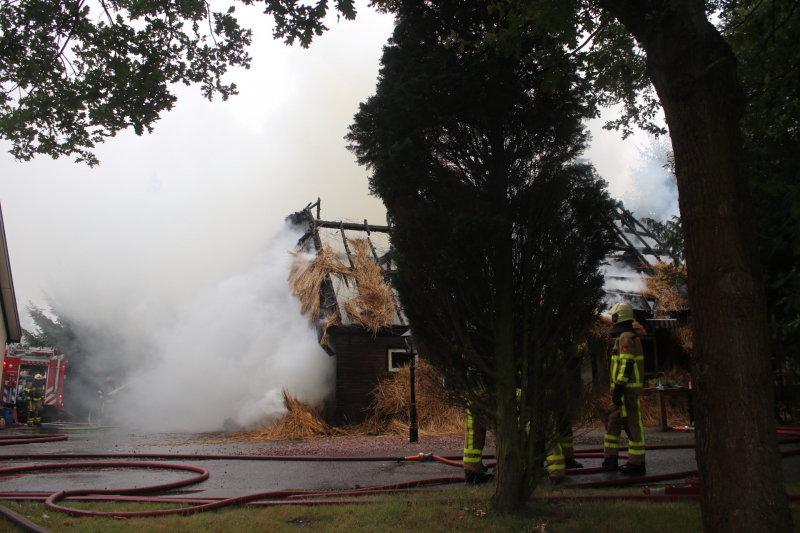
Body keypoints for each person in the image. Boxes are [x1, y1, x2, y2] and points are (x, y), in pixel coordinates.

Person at [603, 302, 646, 475]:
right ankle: (610, 458)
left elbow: (626, 364)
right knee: (612, 421)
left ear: (619, 317)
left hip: (627, 391)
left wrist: (620, 386)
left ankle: (637, 463)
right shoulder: (623, 336)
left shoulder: (626, 337)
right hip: (620, 390)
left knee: (632, 425)